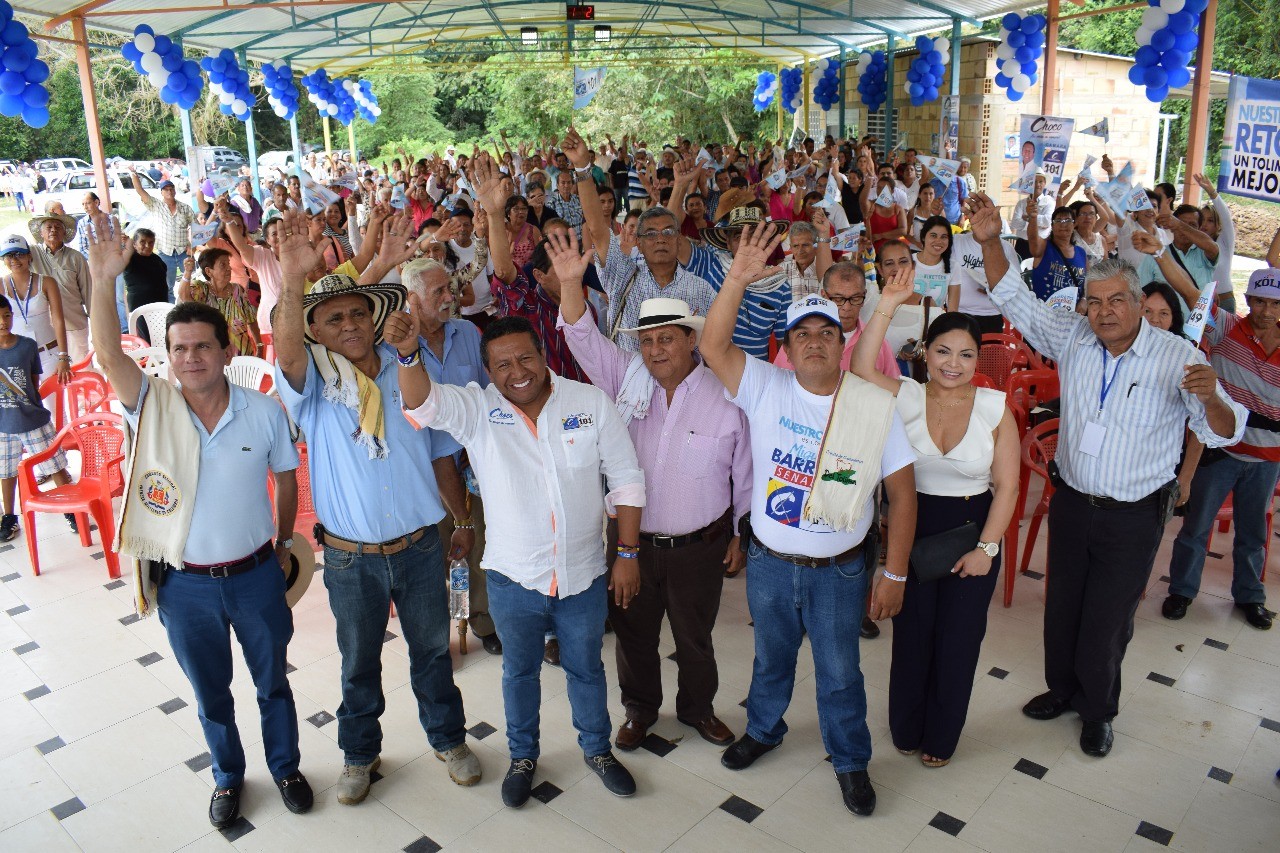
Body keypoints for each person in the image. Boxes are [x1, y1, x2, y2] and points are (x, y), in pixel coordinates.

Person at [964, 191, 1246, 758]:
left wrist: (1213, 396)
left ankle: (1098, 710)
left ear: (1138, 303)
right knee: (1063, 604)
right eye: (1094, 302)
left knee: (1107, 619)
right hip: (1071, 500)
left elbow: (1225, 430)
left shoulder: (1177, 357)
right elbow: (1013, 297)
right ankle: (1061, 689)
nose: (1105, 312)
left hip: (1135, 514)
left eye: (1117, 300)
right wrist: (992, 239)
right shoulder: (1073, 337)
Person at [84, 211, 312, 829]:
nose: (190, 358)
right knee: (212, 695)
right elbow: (107, 353)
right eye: (178, 349)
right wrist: (105, 278)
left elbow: (286, 477)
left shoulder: (263, 412)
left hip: (257, 576)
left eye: (202, 347)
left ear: (226, 350)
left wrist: (286, 546)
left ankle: (287, 767)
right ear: (169, 357)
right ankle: (228, 777)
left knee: (273, 685)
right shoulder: (150, 406)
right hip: (183, 584)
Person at [701, 222, 917, 818]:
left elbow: (902, 494)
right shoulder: (766, 387)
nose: (816, 342)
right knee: (770, 659)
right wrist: (737, 280)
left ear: (842, 337)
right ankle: (764, 729)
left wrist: (894, 572)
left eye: (828, 331)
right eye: (804, 335)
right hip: (770, 565)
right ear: (788, 348)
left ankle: (850, 760)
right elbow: (714, 348)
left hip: (840, 572)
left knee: (841, 673)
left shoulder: (873, 403)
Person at [394, 305, 646, 809]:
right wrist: (406, 353)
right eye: (503, 365)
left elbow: (626, 479)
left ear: (543, 354)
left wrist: (627, 553)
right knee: (518, 674)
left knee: (587, 670)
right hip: (512, 579)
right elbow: (421, 405)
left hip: (583, 574)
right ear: (488, 372)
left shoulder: (589, 402)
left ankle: (597, 751)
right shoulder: (478, 409)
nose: (518, 372)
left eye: (525, 358)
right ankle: (523, 757)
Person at [272, 207, 481, 805]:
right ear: (318, 330)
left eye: (356, 313)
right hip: (348, 557)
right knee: (358, 663)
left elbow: (443, 457)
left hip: (419, 546)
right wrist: (291, 281)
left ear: (375, 315)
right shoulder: (312, 383)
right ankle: (359, 756)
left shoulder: (411, 370)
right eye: (333, 319)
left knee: (433, 653)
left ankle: (449, 740)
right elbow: (286, 353)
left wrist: (460, 520)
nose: (348, 326)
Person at [550, 230, 751, 752]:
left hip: (699, 546)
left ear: (691, 339)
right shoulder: (625, 379)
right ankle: (639, 710)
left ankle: (697, 709)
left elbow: (744, 473)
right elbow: (580, 333)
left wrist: (740, 533)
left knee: (695, 639)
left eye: (668, 337)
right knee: (635, 638)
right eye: (647, 339)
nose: (656, 349)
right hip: (631, 543)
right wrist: (572, 283)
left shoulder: (726, 395)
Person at [851, 263, 1019, 767]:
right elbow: (860, 367)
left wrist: (987, 550)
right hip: (913, 525)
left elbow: (1008, 486)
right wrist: (885, 304)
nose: (954, 363)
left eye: (966, 354)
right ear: (926, 352)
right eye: (943, 351)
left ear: (977, 360)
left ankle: (942, 738)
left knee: (959, 641)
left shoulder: (994, 407)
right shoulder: (905, 393)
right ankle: (906, 726)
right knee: (913, 634)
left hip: (973, 528)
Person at [1161, 267, 1280, 631]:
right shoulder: (1227, 328)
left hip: (1267, 458)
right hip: (1221, 450)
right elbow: (1190, 292)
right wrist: (1161, 249)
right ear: (1248, 300)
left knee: (1252, 534)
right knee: (1196, 527)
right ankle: (1181, 591)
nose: (1264, 310)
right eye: (1258, 300)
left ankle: (1250, 597)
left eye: (1274, 303)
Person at [400, 257, 501, 655]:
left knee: (474, 542)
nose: (449, 298)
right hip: (424, 470)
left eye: (449, 288)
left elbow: (490, 393)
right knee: (439, 553)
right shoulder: (399, 347)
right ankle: (439, 629)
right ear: (412, 300)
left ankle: (482, 618)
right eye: (438, 291)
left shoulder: (468, 333)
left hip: (471, 462)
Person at [0, 235, 72, 382]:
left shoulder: (47, 282)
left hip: (48, 353)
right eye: (8, 256)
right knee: (24, 404)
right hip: (16, 355)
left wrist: (63, 356)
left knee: (52, 404)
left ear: (29, 256)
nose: (14, 260)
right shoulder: (1, 285)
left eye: (19, 254)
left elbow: (58, 319)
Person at [29, 212, 92, 362]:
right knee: (51, 373)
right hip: (45, 328)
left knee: (81, 367)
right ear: (41, 233)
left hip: (74, 324)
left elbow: (89, 294)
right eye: (49, 227)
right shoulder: (32, 254)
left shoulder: (76, 257)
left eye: (58, 227)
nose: (53, 230)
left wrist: (97, 324)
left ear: (64, 232)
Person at [178, 248, 259, 358]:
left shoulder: (237, 290)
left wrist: (260, 346)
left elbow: (251, 320)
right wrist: (187, 272)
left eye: (228, 264)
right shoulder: (202, 289)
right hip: (213, 357)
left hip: (243, 356)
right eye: (223, 265)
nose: (229, 268)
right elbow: (184, 296)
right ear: (208, 271)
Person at [131, 167, 198, 298]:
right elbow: (140, 190)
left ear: (175, 190)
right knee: (167, 286)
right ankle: (170, 314)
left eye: (171, 188)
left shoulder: (185, 208)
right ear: (161, 192)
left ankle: (193, 310)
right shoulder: (155, 205)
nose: (169, 191)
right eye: (166, 189)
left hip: (183, 251)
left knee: (193, 283)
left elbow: (196, 227)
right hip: (165, 252)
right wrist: (133, 174)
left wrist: (193, 245)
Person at [1027, 205, 1088, 302]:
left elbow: (1087, 282)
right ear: (1052, 226)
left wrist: (1084, 300)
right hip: (1046, 313)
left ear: (1074, 225)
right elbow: (1033, 238)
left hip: (1075, 314)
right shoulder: (1043, 247)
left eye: (1068, 220)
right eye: (1058, 220)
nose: (1063, 224)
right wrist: (1033, 218)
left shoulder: (1081, 253)